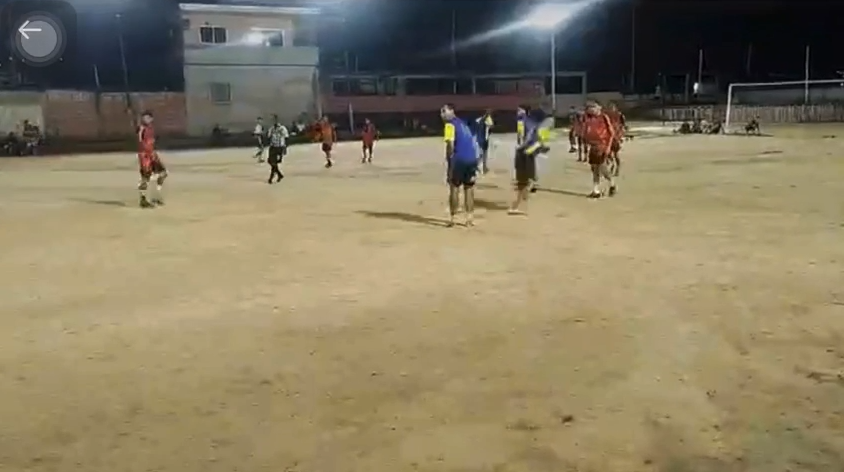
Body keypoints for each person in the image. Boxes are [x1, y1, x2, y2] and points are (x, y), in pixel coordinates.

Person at [441, 104, 479, 227]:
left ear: (451, 111)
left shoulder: (449, 125)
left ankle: (453, 218)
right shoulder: (463, 124)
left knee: (454, 187)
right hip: (472, 159)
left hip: (459, 160)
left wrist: (449, 160)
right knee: (469, 188)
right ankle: (469, 218)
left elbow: (450, 145)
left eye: (444, 111)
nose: (442, 114)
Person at [509, 112, 542, 214]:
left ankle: (520, 205)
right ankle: (522, 204)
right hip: (530, 150)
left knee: (523, 179)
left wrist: (521, 147)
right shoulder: (530, 122)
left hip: (525, 151)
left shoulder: (523, 122)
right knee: (525, 178)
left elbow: (525, 137)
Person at [582, 102, 616, 198]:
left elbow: (611, 133)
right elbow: (586, 131)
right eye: (589, 108)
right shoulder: (589, 119)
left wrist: (608, 147)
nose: (591, 110)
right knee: (594, 168)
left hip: (602, 145)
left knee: (602, 167)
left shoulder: (604, 118)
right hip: (593, 146)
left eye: (593, 108)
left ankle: (612, 183)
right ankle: (596, 190)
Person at [137, 110, 168, 208]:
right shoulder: (141, 128)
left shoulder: (151, 128)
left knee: (163, 173)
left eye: (147, 118)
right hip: (144, 155)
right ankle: (143, 199)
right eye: (144, 117)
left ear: (151, 119)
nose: (145, 119)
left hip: (152, 154)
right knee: (145, 177)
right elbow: (140, 139)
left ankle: (156, 195)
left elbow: (151, 141)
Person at [604, 103, 626, 177]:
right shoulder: (606, 116)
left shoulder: (619, 115)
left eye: (612, 107)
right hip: (608, 137)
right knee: (607, 154)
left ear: (615, 108)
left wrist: (621, 136)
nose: (610, 109)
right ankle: (611, 165)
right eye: (609, 107)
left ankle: (617, 168)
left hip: (616, 137)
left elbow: (623, 126)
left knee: (616, 154)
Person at [266, 115, 288, 184]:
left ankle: (271, 178)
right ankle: (279, 174)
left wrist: (284, 148)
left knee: (274, 162)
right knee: (270, 161)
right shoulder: (271, 128)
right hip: (272, 146)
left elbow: (286, 137)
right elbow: (268, 136)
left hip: (279, 147)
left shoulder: (282, 128)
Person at [474, 109, 494, 174]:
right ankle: (480, 167)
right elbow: (491, 126)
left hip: (481, 139)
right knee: (482, 154)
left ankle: (482, 167)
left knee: (482, 154)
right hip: (483, 139)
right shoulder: (486, 119)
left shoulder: (479, 119)